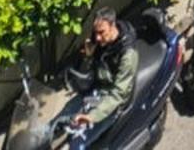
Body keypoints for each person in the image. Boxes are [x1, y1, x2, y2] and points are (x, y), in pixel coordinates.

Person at [43, 10, 136, 149]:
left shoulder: (127, 55)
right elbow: (85, 75)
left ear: (113, 26)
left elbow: (118, 94)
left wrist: (93, 116)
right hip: (96, 90)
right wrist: (88, 57)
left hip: (111, 100)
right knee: (56, 122)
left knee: (77, 145)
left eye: (102, 32)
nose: (97, 37)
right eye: (96, 32)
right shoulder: (98, 42)